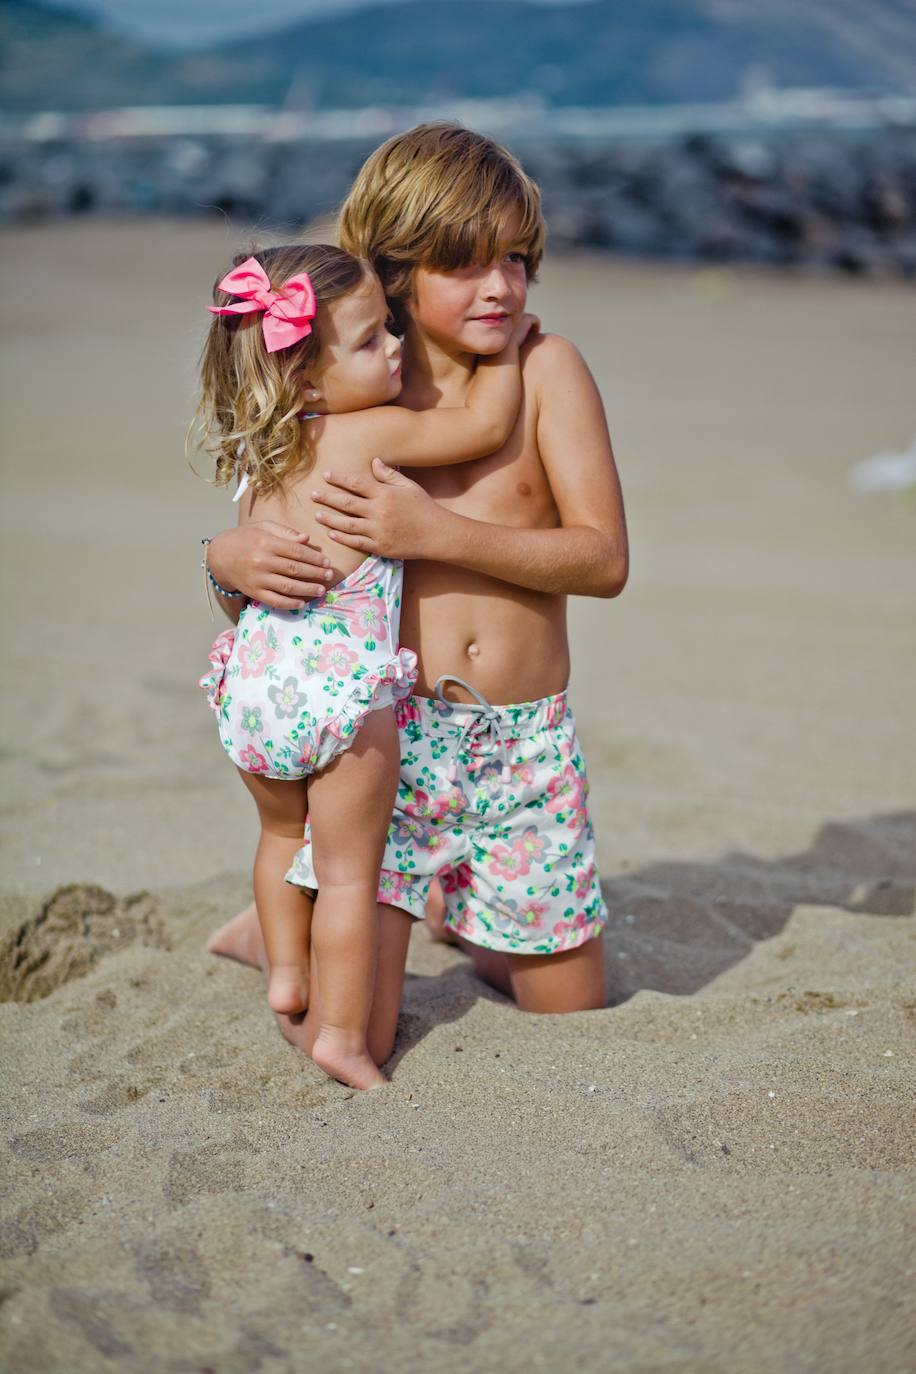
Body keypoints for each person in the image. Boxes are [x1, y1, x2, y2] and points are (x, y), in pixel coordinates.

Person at [205, 123, 628, 1069]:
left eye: (517, 260)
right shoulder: (338, 399)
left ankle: (452, 911)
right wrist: (222, 560)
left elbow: (604, 562)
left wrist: (438, 536)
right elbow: (288, 587)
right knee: (355, 1022)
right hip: (390, 747)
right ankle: (303, 921)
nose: (502, 288)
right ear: (394, 270)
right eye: (467, 264)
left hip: (526, 745)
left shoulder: (545, 370)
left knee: (574, 1014)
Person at [195, 240, 535, 1088]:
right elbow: (480, 426)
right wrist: (513, 343)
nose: (394, 349)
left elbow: (237, 566)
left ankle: (285, 973)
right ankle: (341, 1036)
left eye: (391, 328)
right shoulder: (358, 434)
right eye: (372, 339)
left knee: (282, 835)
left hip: (253, 691)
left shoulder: (257, 461)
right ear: (309, 380)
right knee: (350, 875)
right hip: (339, 700)